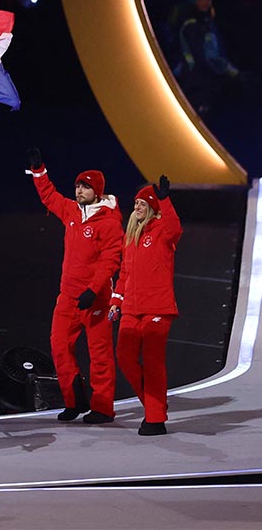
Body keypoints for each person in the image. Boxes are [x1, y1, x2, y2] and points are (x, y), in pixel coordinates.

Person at [25, 148, 123, 424]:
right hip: (67, 297)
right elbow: (49, 196)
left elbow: (111, 260)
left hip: (95, 298)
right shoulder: (71, 210)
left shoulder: (109, 222)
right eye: (78, 186)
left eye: (85, 187)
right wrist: (39, 171)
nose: (79, 190)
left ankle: (103, 408)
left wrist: (93, 289)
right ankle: (75, 401)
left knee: (99, 354)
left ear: (98, 192)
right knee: (58, 346)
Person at [109, 176, 182, 436]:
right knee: (125, 358)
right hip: (131, 308)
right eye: (136, 203)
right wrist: (116, 301)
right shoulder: (131, 238)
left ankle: (155, 418)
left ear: (152, 207)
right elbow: (125, 274)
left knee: (152, 362)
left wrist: (164, 199)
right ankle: (157, 403)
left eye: (142, 203)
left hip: (157, 309)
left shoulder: (162, 231)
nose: (137, 207)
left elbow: (175, 228)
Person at [173, 0, 243, 118]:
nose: (205, 2)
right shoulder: (192, 26)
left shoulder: (207, 24)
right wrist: (232, 71)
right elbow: (206, 57)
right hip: (195, 83)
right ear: (193, 1)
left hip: (207, 82)